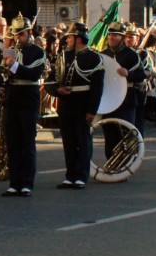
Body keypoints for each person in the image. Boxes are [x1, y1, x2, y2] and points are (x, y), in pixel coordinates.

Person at [48, 21, 105, 185]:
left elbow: (97, 88)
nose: (67, 41)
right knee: (69, 141)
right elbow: (51, 80)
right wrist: (57, 91)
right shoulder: (64, 56)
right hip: (66, 104)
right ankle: (70, 175)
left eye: (70, 37)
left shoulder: (94, 58)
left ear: (79, 38)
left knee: (83, 140)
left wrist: (92, 110)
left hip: (83, 103)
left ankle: (81, 175)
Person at [1, 14, 46, 197]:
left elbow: (33, 73)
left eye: (21, 35)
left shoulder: (37, 52)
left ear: (29, 33)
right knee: (13, 143)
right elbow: (4, 74)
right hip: (12, 99)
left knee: (27, 143)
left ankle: (26, 182)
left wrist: (14, 66)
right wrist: (4, 68)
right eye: (16, 35)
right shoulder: (10, 50)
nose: (18, 38)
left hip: (28, 99)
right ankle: (14, 182)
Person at [101, 22, 147, 163]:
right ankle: (112, 163)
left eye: (115, 35)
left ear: (122, 38)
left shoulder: (131, 55)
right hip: (108, 100)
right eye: (110, 35)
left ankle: (125, 164)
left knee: (126, 134)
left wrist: (129, 73)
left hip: (126, 100)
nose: (112, 38)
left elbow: (142, 74)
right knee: (109, 135)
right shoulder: (103, 54)